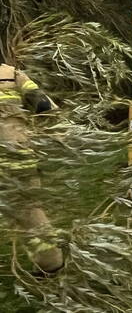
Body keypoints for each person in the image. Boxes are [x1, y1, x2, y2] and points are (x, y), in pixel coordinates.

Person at [0, 63, 64, 273]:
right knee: (27, 209)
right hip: (19, 154)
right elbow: (45, 106)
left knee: (25, 210)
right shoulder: (11, 74)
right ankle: (50, 259)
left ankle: (51, 260)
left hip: (8, 160)